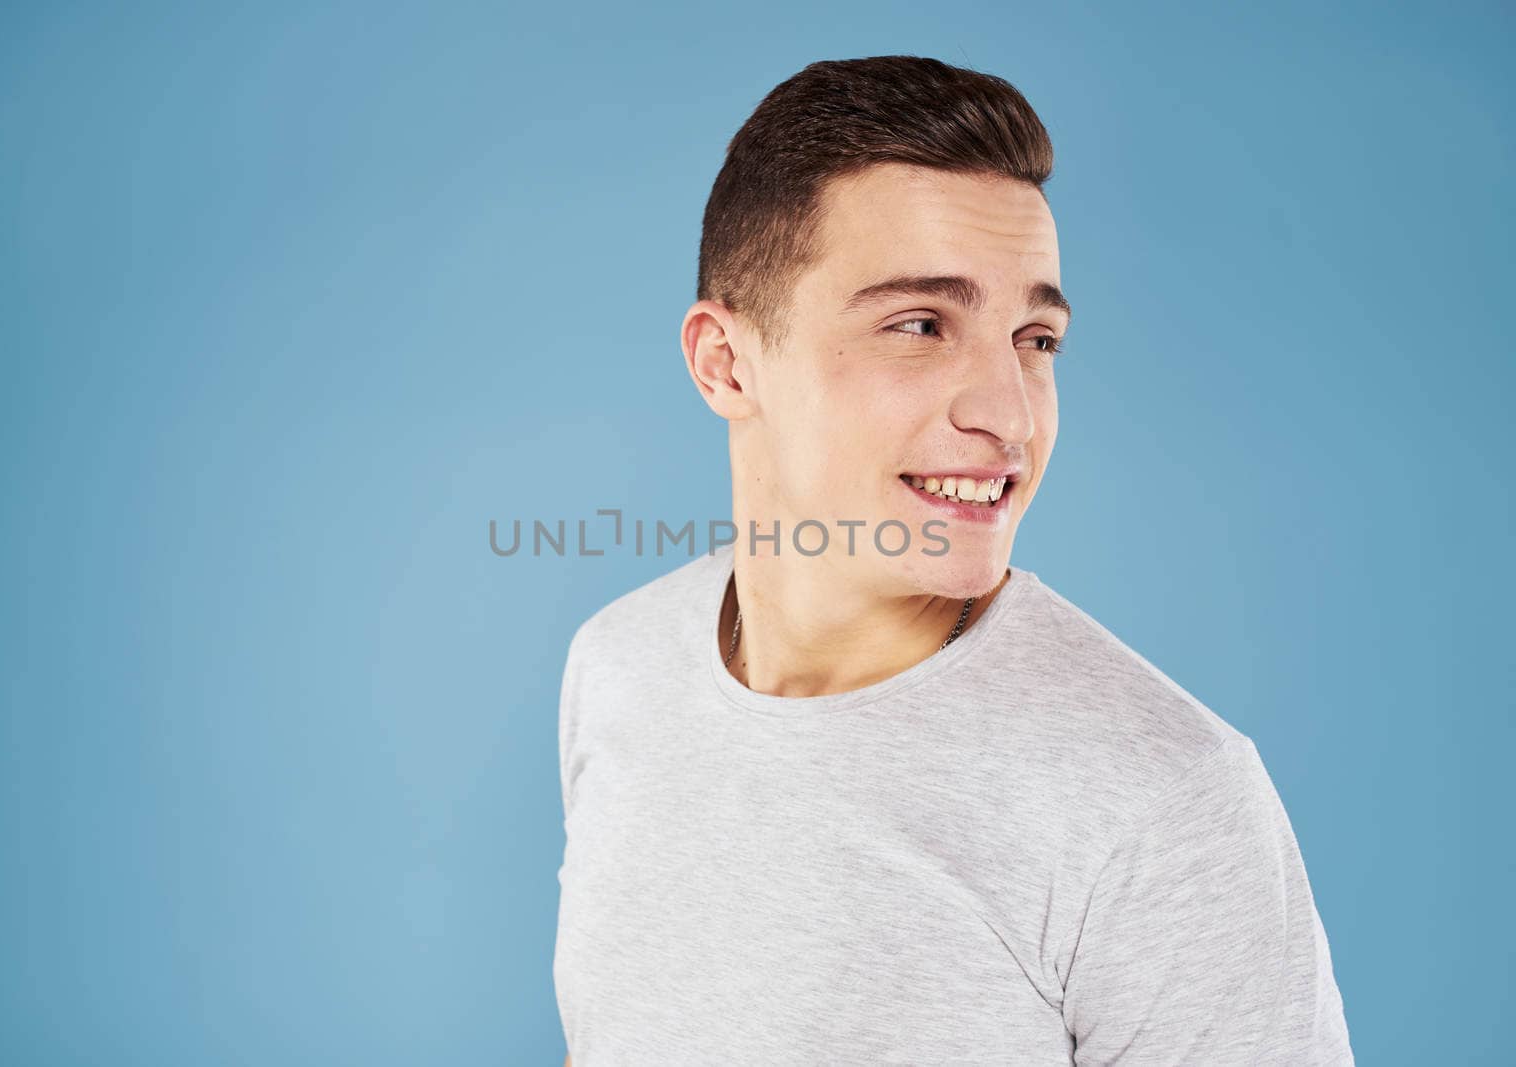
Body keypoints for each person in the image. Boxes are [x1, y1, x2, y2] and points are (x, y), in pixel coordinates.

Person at [552, 55, 1353, 1065]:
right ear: (725, 361)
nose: (1010, 412)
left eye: (1035, 337)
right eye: (920, 325)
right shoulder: (620, 665)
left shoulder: (1163, 797)